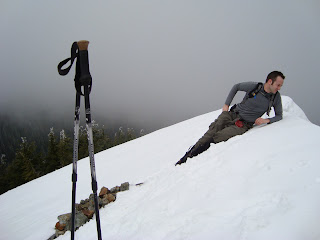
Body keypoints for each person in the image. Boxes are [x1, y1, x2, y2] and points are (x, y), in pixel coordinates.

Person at [175, 71, 285, 166]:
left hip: (244, 123)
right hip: (232, 113)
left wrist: (266, 120)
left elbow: (279, 115)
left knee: (221, 136)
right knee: (212, 130)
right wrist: (226, 105)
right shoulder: (255, 87)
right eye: (278, 85)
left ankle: (196, 154)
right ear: (270, 81)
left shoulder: (275, 98)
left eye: (280, 86)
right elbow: (236, 86)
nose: (279, 88)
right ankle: (187, 156)